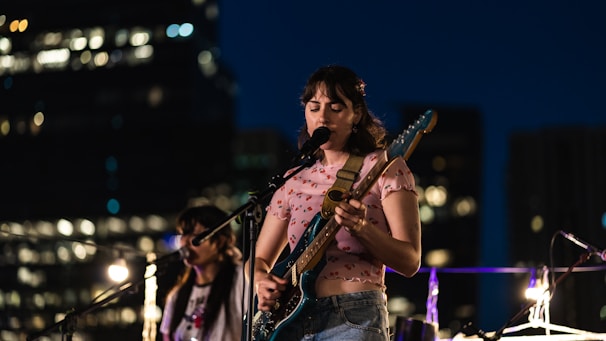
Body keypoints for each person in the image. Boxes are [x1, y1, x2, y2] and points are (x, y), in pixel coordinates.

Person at [249, 65, 422, 341]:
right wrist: (260, 280)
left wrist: (363, 228)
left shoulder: (385, 167)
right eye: (314, 107)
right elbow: (258, 259)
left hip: (354, 317)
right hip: (291, 323)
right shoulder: (293, 180)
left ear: (356, 115)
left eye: (336, 107)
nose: (323, 117)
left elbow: (410, 261)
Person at [160, 204, 247, 341]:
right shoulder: (177, 295)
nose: (186, 242)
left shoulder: (242, 279)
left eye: (194, 235)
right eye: (183, 233)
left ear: (220, 241)